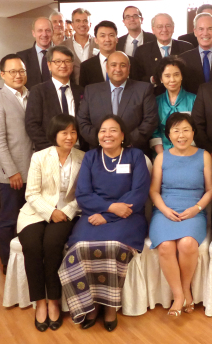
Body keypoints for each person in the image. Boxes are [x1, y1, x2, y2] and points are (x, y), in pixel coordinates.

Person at [60, 115, 150, 331]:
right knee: (79, 249)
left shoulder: (135, 156)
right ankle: (88, 305)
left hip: (128, 217)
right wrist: (108, 208)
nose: (107, 134)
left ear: (122, 135)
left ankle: (110, 307)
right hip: (93, 215)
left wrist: (109, 215)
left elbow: (139, 193)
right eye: (103, 130)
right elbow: (82, 194)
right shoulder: (90, 157)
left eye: (113, 130)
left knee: (114, 247)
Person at [16, 114, 85, 332]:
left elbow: (82, 194)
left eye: (73, 132)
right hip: (36, 212)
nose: (69, 136)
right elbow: (32, 193)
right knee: (33, 246)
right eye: (64, 132)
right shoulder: (39, 157)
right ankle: (40, 302)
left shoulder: (83, 157)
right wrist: (50, 211)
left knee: (53, 245)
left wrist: (65, 211)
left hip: (67, 212)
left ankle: (54, 300)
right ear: (54, 134)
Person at [149, 112, 212, 316]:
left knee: (187, 243)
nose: (181, 135)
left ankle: (186, 288)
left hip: (193, 210)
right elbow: (153, 191)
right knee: (166, 246)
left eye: (186, 130)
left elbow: (211, 190)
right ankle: (178, 296)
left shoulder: (203, 155)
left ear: (193, 132)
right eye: (176, 131)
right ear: (168, 134)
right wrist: (165, 210)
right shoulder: (161, 157)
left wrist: (197, 208)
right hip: (165, 211)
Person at [0, 54, 33, 274]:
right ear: (2, 75)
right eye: (12, 71)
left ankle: (26, 258)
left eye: (21, 70)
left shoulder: (32, 96)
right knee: (8, 219)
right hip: (11, 175)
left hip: (34, 171)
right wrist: (12, 172)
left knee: (29, 217)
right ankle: (6, 261)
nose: (18, 75)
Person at [77, 51, 158, 157]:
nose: (118, 69)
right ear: (107, 67)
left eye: (123, 65)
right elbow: (82, 121)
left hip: (133, 152)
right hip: (99, 152)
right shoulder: (91, 90)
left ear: (129, 68)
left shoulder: (143, 89)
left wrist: (125, 142)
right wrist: (104, 141)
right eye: (113, 65)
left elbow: (150, 121)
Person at [26, 46, 85, 151]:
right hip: (49, 151)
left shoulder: (81, 91)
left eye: (67, 61)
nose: (63, 65)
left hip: (79, 150)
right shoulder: (38, 91)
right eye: (58, 61)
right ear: (49, 65)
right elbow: (32, 125)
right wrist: (53, 149)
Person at [150, 57, 196, 154]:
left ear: (182, 76)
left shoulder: (194, 99)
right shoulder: (155, 101)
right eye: (167, 76)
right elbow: (154, 132)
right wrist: (162, 156)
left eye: (176, 75)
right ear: (161, 79)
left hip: (190, 151)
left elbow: (197, 129)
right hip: (162, 152)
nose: (172, 80)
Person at [134, 13, 193, 88]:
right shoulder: (142, 51)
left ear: (173, 28)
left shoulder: (187, 47)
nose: (164, 30)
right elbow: (137, 79)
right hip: (153, 96)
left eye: (168, 26)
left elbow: (191, 76)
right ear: (153, 30)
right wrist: (153, 79)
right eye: (160, 26)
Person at [79, 21, 143, 88]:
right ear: (96, 40)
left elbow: (138, 88)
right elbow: (84, 93)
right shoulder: (86, 66)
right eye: (102, 36)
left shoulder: (131, 62)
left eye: (111, 35)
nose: (107, 39)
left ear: (117, 39)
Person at [180, 13, 212, 94]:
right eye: (201, 29)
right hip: (193, 104)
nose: (205, 33)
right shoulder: (183, 59)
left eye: (210, 29)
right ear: (195, 32)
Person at [62, 8, 98, 84]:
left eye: (85, 21)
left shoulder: (98, 44)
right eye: (78, 21)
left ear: (90, 24)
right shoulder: (63, 46)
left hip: (95, 90)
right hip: (72, 91)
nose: (82, 24)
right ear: (72, 25)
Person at [17, 17, 53, 89]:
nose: (44, 34)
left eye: (48, 30)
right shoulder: (21, 57)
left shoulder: (61, 56)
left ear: (53, 31)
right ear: (33, 33)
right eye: (40, 31)